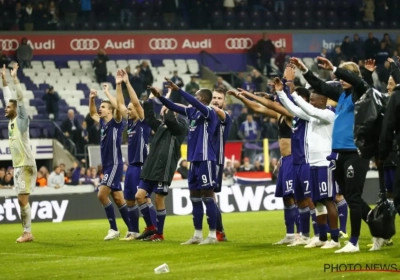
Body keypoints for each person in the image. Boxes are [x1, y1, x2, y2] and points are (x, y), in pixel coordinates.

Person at [290, 56, 373, 253]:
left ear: (353, 77)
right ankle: (379, 229)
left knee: (353, 198)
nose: (340, 80)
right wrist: (304, 70)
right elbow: (319, 84)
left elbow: (358, 82)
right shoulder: (342, 94)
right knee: (354, 198)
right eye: (340, 77)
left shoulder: (360, 92)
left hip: (354, 151)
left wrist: (335, 68)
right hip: (339, 153)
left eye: (345, 76)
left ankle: (354, 242)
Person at [227, 80, 301, 245]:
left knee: (296, 198)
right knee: (286, 199)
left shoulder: (291, 113)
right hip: (284, 160)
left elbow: (269, 104)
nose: (274, 97)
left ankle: (300, 234)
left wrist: (249, 94)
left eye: (277, 95)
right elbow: (256, 108)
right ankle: (290, 235)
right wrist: (242, 98)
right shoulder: (280, 114)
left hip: (294, 158)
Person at [275, 69, 341, 249]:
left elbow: (305, 108)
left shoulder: (328, 115)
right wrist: (281, 92)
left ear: (323, 100)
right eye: (310, 99)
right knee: (318, 201)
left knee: (329, 200)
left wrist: (292, 87)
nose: (311, 102)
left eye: (313, 99)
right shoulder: (312, 115)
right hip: (312, 163)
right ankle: (321, 236)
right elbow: (294, 109)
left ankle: (335, 239)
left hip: (325, 163)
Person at [157, 78, 219, 245]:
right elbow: (174, 107)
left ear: (203, 99)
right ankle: (197, 234)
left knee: (208, 196)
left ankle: (212, 235)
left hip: (206, 159)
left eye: (196, 96)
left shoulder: (208, 112)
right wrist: (160, 97)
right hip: (193, 161)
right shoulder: (192, 113)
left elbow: (191, 102)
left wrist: (179, 90)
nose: (193, 98)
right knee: (195, 197)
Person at [102, 70, 150, 241]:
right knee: (129, 200)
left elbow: (135, 103)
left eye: (131, 110)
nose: (128, 111)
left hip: (143, 165)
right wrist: (117, 85)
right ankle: (134, 232)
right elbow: (120, 104)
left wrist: (128, 83)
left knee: (144, 199)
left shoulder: (143, 121)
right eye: (128, 110)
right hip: (131, 166)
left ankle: (154, 229)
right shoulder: (130, 123)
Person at [134, 86, 187, 241]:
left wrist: (168, 104)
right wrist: (150, 99)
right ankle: (151, 227)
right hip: (151, 167)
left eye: (168, 109)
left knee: (158, 200)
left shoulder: (181, 127)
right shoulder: (161, 126)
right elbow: (149, 117)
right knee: (139, 196)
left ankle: (160, 234)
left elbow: (171, 119)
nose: (165, 110)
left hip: (164, 169)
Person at [88, 70, 133, 241]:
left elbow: (119, 105)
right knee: (118, 198)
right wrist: (92, 99)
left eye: (104, 106)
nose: (100, 108)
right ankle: (132, 229)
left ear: (111, 111)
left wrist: (111, 90)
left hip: (114, 164)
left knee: (101, 194)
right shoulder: (103, 124)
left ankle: (113, 228)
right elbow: (92, 113)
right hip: (107, 164)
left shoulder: (116, 123)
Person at [2, 63, 37, 242]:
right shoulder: (11, 121)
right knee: (21, 200)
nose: (5, 108)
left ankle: (27, 233)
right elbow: (9, 99)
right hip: (18, 164)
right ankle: (27, 231)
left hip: (25, 164)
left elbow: (19, 99)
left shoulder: (22, 120)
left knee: (23, 200)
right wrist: (4, 81)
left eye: (8, 107)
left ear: (15, 110)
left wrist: (14, 79)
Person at [210, 89, 232, 242]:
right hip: (202, 159)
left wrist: (204, 104)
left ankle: (218, 231)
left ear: (224, 102)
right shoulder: (206, 114)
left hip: (215, 160)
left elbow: (217, 111)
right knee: (204, 195)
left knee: (210, 195)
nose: (216, 100)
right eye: (213, 98)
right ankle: (216, 230)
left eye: (219, 98)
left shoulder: (225, 116)